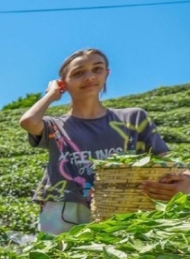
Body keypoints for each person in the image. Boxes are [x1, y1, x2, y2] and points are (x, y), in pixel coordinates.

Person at [19, 48, 170, 234]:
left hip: (121, 203)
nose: (89, 77)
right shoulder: (55, 126)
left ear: (107, 74)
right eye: (78, 73)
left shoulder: (133, 119)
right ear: (63, 84)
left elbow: (166, 159)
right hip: (64, 207)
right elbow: (28, 122)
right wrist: (51, 95)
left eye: (97, 69)